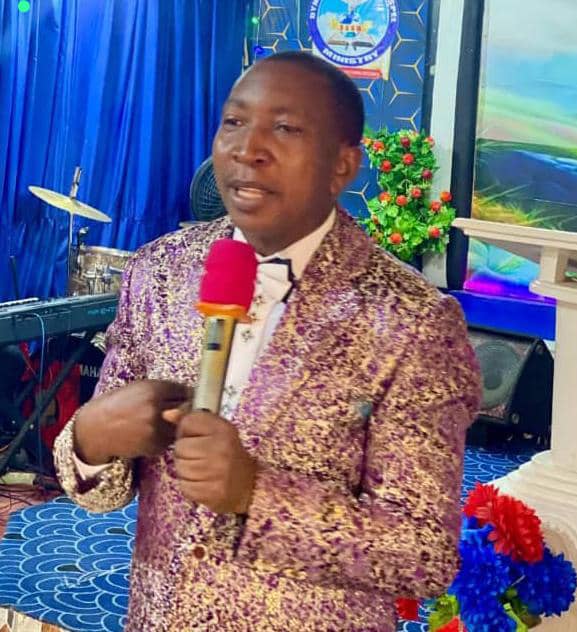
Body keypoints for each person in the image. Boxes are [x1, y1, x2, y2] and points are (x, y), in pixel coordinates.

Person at [54, 52, 481, 631]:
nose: (247, 148)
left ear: (343, 165)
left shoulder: (413, 321)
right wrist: (90, 439)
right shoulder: (158, 270)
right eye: (234, 121)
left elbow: (423, 553)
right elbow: (103, 491)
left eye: (285, 128)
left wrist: (256, 494)